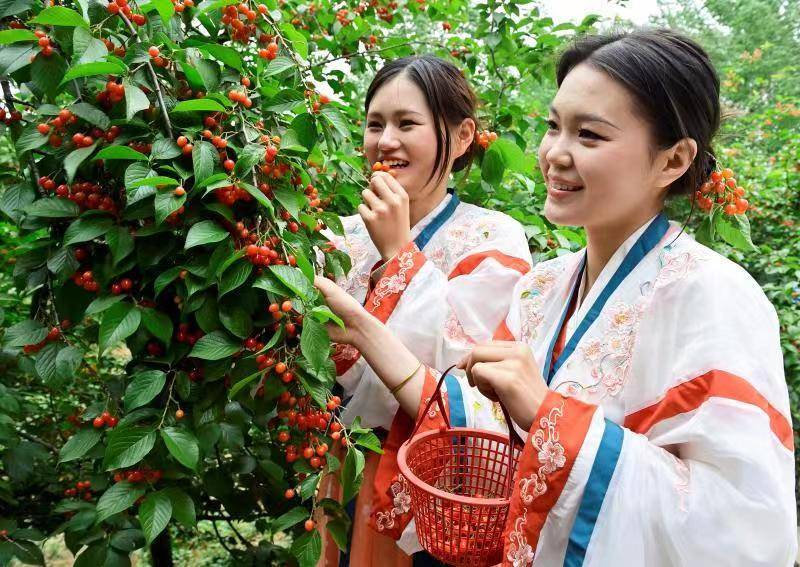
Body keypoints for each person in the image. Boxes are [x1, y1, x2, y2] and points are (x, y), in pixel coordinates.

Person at [315, 29, 797, 566]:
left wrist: (549, 416)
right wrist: (364, 330)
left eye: (589, 135)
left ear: (673, 160)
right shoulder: (542, 288)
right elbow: (484, 445)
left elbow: (745, 531)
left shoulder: (716, 295)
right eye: (552, 127)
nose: (554, 155)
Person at [317, 55, 534, 566]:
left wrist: (398, 254)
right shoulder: (338, 235)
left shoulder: (492, 236)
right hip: (341, 466)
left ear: (461, 137)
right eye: (375, 124)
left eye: (406, 123)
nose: (385, 140)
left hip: (432, 480)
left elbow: (467, 371)